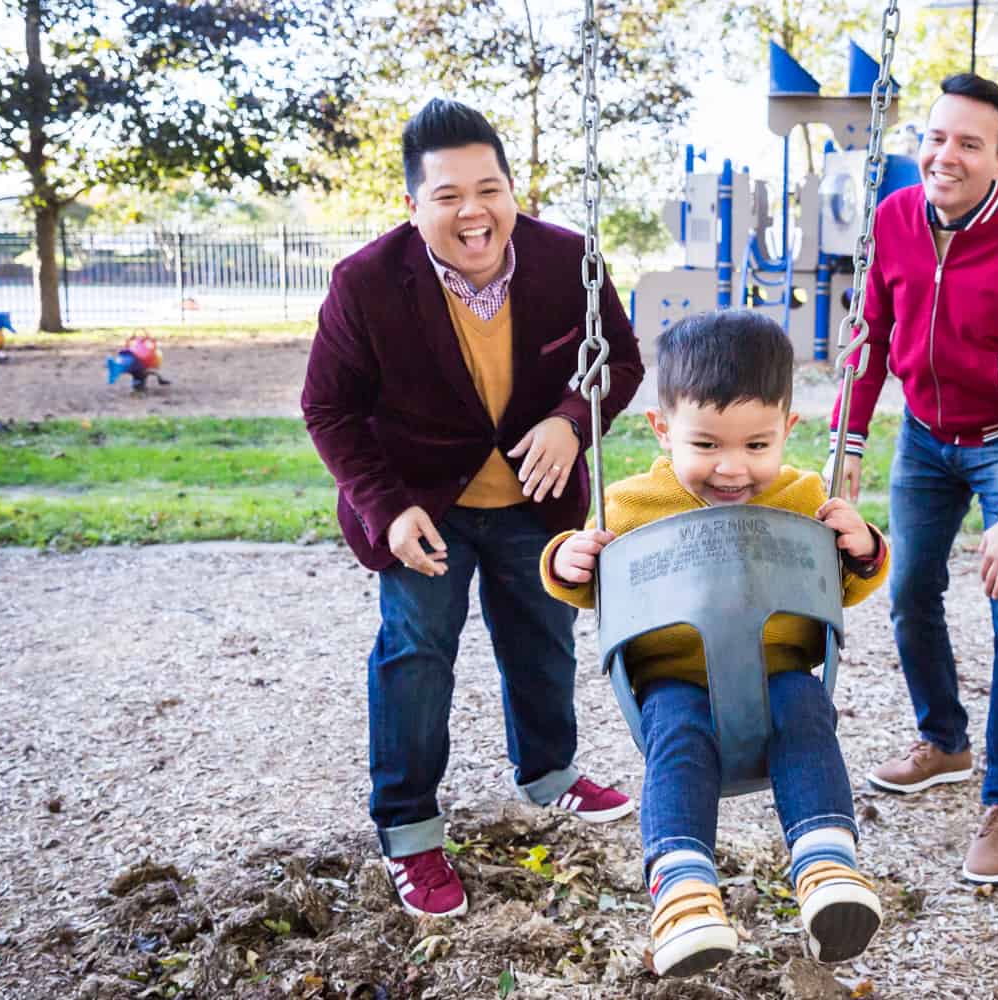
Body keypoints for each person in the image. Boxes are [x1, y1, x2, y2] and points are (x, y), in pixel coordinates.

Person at [301, 98, 644, 918]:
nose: (473, 211)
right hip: (422, 505)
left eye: (489, 188)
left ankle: (548, 774)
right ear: (412, 204)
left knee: (542, 637)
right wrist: (384, 509)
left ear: (512, 191)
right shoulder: (366, 283)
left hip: (533, 496)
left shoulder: (570, 261)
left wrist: (570, 422)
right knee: (416, 653)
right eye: (448, 194)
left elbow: (618, 362)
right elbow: (329, 410)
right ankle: (411, 831)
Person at [542, 311, 888, 977]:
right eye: (706, 446)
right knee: (676, 737)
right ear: (662, 428)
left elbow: (842, 584)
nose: (733, 469)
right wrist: (569, 560)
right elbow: (586, 584)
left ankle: (826, 867)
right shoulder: (629, 504)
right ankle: (683, 892)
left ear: (789, 430)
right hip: (677, 679)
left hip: (779, 668)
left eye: (758, 446)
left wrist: (864, 546)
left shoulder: (805, 497)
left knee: (809, 714)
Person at [827, 74, 998, 885]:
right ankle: (944, 741)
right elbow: (869, 336)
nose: (946, 156)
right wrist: (850, 441)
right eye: (936, 138)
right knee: (908, 591)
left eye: (969, 144)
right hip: (925, 439)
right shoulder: (894, 219)